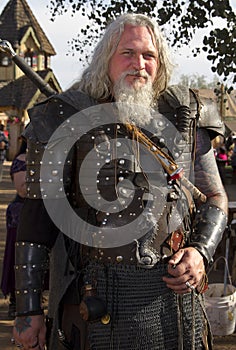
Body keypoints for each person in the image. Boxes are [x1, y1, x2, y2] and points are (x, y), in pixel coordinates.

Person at [13, 13, 228, 350]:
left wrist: (200, 252)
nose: (138, 64)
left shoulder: (185, 114)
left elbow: (214, 195)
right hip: (97, 300)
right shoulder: (65, 115)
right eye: (127, 53)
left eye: (148, 55)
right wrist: (29, 312)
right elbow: (37, 220)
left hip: (176, 303)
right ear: (106, 59)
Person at [0, 138, 27, 319]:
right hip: (21, 214)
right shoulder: (21, 160)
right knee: (19, 256)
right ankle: (16, 302)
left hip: (43, 213)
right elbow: (23, 191)